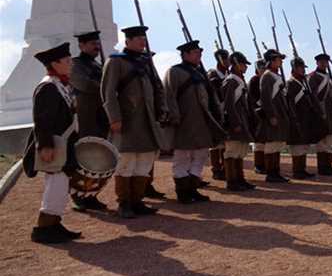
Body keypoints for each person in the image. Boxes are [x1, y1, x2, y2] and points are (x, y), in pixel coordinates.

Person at [101, 25, 168, 218]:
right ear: (127, 41)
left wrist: (161, 110)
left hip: (147, 121)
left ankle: (137, 201)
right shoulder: (115, 62)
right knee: (126, 163)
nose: (142, 41)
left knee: (145, 162)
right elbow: (108, 92)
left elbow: (158, 88)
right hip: (127, 121)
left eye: (144, 38)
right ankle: (124, 203)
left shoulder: (146, 62)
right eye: (138, 38)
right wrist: (114, 118)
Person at [26, 42, 83, 244]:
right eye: (67, 61)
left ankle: (54, 224)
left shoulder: (61, 85)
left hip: (64, 144)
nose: (71, 64)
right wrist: (46, 146)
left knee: (61, 185)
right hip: (55, 145)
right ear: (55, 63)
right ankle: (43, 228)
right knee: (56, 185)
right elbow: (42, 119)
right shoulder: (48, 87)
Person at [163, 40, 225, 203]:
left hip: (202, 121)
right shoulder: (175, 71)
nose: (199, 55)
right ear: (185, 54)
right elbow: (169, 96)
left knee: (201, 155)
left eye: (200, 52)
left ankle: (193, 189)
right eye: (196, 52)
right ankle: (183, 193)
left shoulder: (200, 73)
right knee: (182, 157)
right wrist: (175, 118)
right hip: (184, 121)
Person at [69, 30, 111, 211]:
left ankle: (91, 194)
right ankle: (79, 195)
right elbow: (85, 84)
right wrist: (106, 87)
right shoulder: (75, 65)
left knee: (98, 161)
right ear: (81, 45)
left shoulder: (98, 65)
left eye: (97, 43)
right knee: (84, 160)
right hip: (85, 119)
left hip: (100, 119)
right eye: (92, 43)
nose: (96, 46)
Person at [286, 57, 327, 179]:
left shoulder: (304, 82)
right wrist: (294, 119)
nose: (303, 70)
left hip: (306, 118)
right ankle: (297, 171)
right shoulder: (291, 83)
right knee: (298, 146)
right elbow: (290, 103)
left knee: (304, 145)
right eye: (300, 68)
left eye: (303, 68)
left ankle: (302, 169)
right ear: (294, 68)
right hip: (297, 118)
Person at [221, 51, 256, 191]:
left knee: (240, 152)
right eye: (242, 64)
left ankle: (240, 179)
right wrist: (235, 123)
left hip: (242, 120)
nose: (245, 67)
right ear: (236, 64)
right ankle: (232, 181)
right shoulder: (231, 81)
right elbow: (229, 104)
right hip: (234, 122)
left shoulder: (238, 80)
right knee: (232, 152)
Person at [257, 49, 291, 183]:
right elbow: (266, 98)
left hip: (280, 114)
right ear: (271, 61)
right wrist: (271, 115)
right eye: (278, 59)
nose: (281, 61)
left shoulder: (275, 75)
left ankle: (275, 172)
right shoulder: (267, 76)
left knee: (277, 145)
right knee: (272, 145)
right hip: (274, 115)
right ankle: (271, 173)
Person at [307, 53, 332, 176]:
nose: (323, 64)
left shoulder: (328, 77)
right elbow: (313, 96)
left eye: (325, 62)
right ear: (317, 63)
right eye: (321, 62)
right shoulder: (313, 76)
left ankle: (329, 166)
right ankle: (322, 168)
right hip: (320, 113)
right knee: (322, 142)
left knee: (331, 141)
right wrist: (319, 112)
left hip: (330, 113)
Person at [207, 48, 230, 181]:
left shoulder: (228, 74)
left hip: (227, 110)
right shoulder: (213, 74)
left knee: (226, 143)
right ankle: (216, 169)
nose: (227, 62)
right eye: (225, 59)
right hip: (216, 111)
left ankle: (225, 168)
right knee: (216, 144)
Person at [249, 59, 268, 175]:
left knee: (266, 141)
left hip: (266, 113)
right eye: (262, 68)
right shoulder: (255, 80)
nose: (264, 70)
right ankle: (258, 165)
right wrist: (264, 106)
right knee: (259, 142)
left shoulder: (266, 80)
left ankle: (265, 164)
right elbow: (253, 98)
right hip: (257, 113)